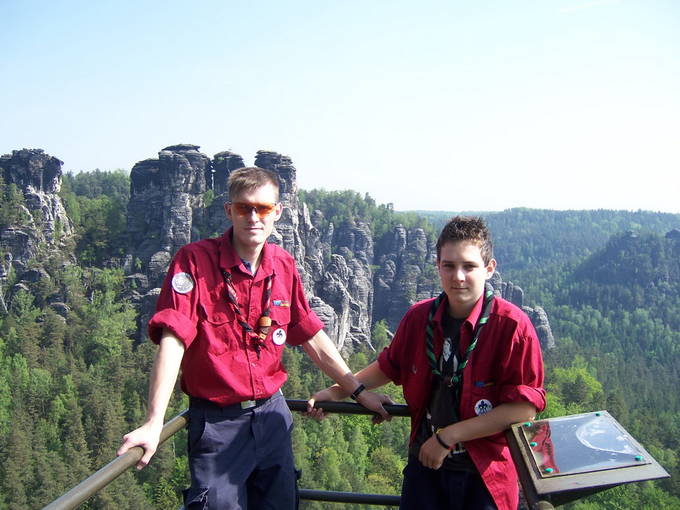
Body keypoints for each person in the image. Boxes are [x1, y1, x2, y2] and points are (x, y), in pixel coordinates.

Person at [117, 167, 391, 510]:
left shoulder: (284, 265)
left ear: (277, 212)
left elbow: (311, 336)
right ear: (229, 211)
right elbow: (173, 340)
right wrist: (154, 422)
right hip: (217, 423)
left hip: (272, 417)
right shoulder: (194, 262)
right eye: (244, 207)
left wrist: (357, 391)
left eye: (262, 208)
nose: (253, 217)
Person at [307, 216, 546, 510]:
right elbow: (388, 367)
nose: (458, 276)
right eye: (449, 265)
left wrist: (448, 437)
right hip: (425, 468)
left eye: (469, 266)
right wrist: (336, 392)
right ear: (437, 266)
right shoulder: (420, 318)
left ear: (489, 268)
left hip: (484, 474)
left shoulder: (512, 327)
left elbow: (523, 409)